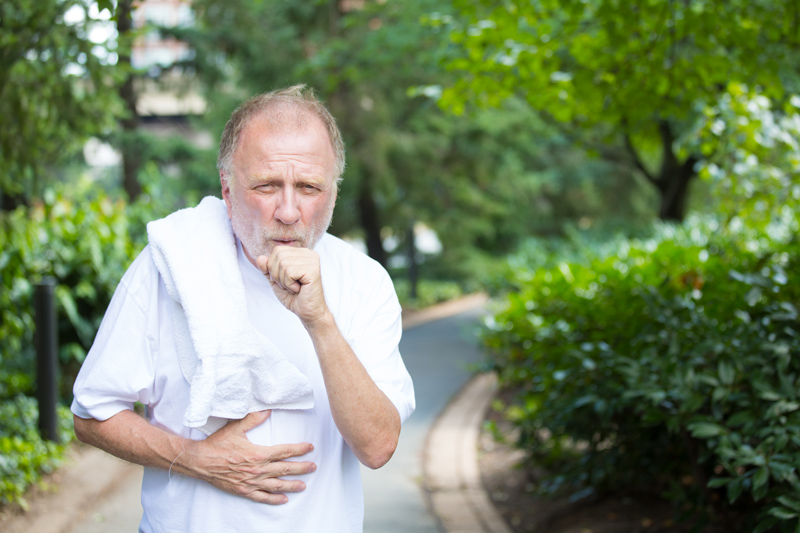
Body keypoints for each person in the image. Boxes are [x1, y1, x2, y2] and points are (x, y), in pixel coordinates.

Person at [71, 85, 415, 532]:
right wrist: (195, 459)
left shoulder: (364, 283)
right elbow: (92, 413)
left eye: (309, 187)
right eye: (267, 185)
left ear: (332, 194)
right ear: (228, 189)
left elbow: (378, 446)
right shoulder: (171, 265)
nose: (288, 211)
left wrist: (320, 321)